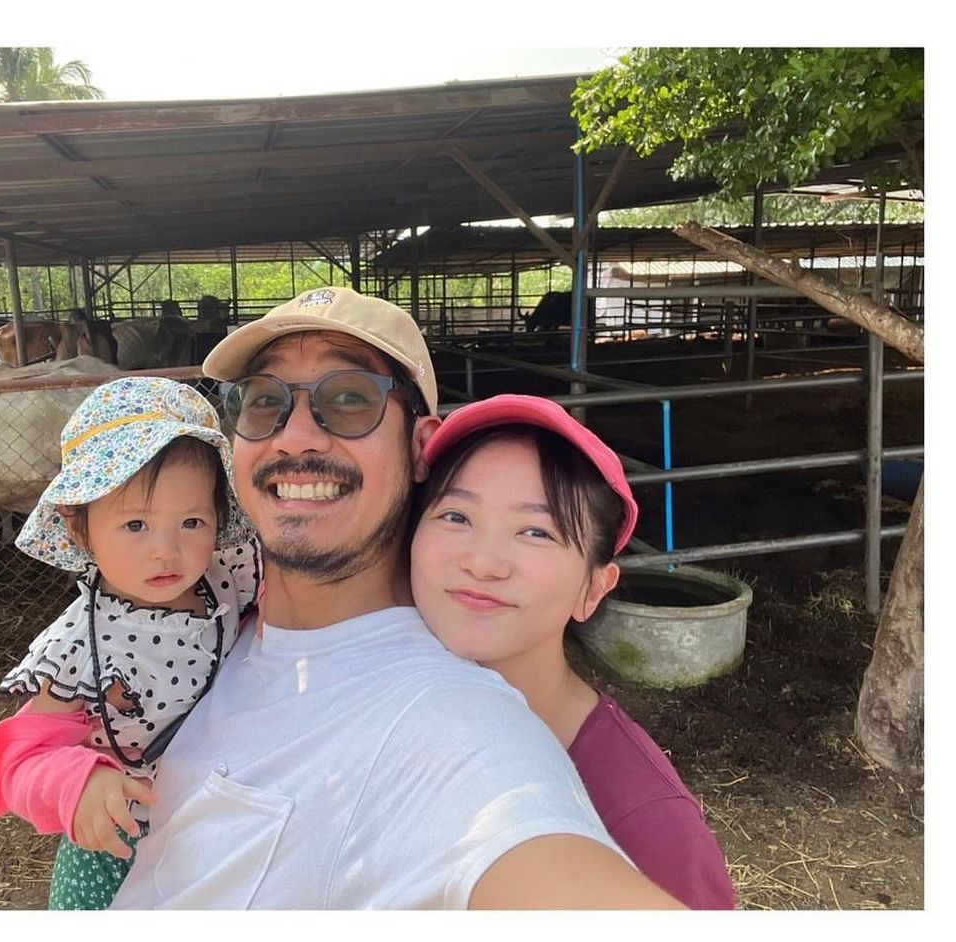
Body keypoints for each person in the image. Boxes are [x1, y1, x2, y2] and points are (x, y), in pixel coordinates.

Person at [109, 286, 681, 909]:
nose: (294, 438)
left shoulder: (451, 722)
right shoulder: (207, 615)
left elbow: (517, 833)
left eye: (349, 399)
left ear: (418, 446)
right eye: (265, 400)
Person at [0, 376, 260, 909]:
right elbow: (22, 758)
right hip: (119, 843)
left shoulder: (230, 579)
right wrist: (76, 784)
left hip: (217, 822)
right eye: (135, 525)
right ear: (78, 526)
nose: (166, 551)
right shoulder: (76, 649)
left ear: (219, 518)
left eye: (191, 521)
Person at [409, 394, 735, 909]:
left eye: (536, 532)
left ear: (594, 589)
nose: (483, 562)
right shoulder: (378, 711)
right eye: (456, 516)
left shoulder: (644, 821)